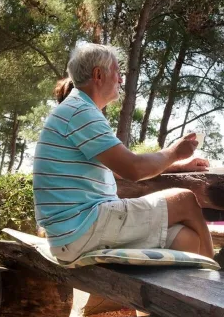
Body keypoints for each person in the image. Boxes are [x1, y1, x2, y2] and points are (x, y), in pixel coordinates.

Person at [33, 43, 214, 264]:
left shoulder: (76, 109)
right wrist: (175, 152)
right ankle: (217, 279)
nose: (120, 79)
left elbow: (116, 170)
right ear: (98, 74)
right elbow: (134, 169)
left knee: (185, 239)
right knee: (185, 200)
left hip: (72, 233)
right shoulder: (81, 111)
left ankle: (126, 299)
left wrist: (178, 166)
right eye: (117, 72)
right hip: (83, 228)